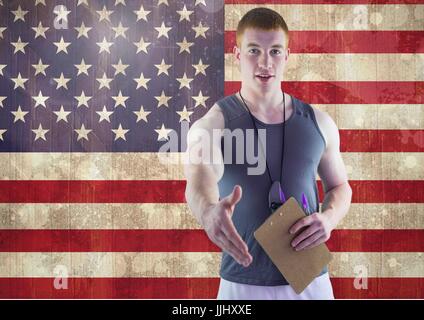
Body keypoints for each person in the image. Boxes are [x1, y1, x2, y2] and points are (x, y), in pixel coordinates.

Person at [183, 7, 352, 300]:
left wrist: (329, 219)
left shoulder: (319, 122)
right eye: (253, 50)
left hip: (310, 281)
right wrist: (208, 210)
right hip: (242, 284)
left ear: (287, 56)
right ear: (237, 56)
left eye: (275, 51)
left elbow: (340, 186)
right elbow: (199, 177)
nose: (265, 62)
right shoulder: (213, 123)